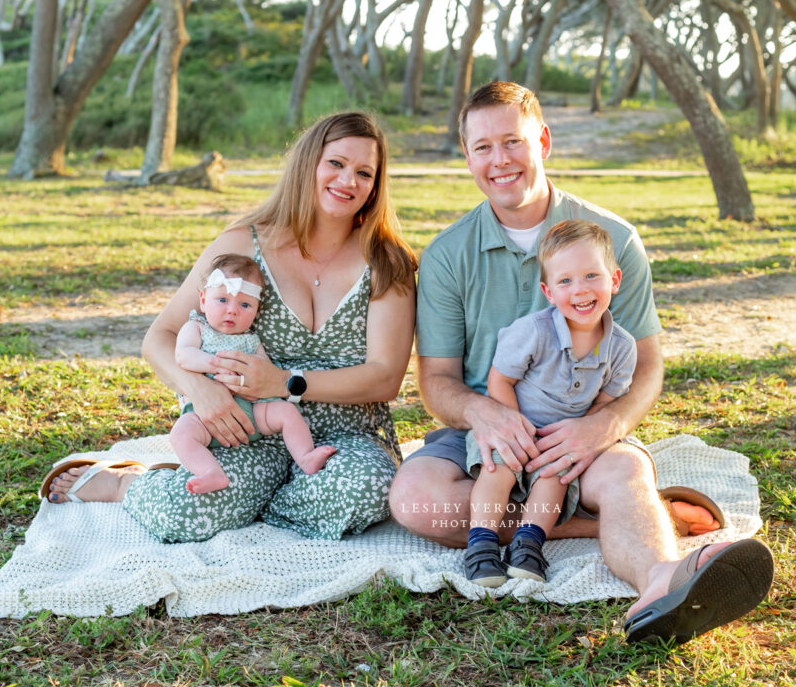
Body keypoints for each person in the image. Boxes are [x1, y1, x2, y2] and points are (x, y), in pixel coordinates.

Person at [390, 81, 773, 643]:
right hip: (488, 431)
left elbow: (645, 367)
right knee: (416, 503)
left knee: (625, 471)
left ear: (542, 141)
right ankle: (613, 524)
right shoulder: (448, 255)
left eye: (512, 142)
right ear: (466, 156)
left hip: (581, 419)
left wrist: (605, 425)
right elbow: (437, 381)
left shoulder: (614, 239)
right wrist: (485, 415)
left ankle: (662, 580)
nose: (499, 161)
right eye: (482, 147)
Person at [43, 111, 417, 544]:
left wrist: (284, 382)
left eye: (364, 172)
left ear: (375, 186)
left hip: (343, 438)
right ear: (308, 164)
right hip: (248, 430)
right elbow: (159, 337)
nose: (348, 180)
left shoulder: (388, 262)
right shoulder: (243, 245)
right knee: (179, 515)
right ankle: (127, 484)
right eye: (335, 163)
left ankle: (249, 503)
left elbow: (386, 377)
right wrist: (201, 391)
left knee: (367, 489)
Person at [464, 220, 636, 587]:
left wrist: (577, 436)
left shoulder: (621, 347)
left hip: (563, 436)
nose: (581, 290)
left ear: (614, 280)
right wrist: (514, 428)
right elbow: (500, 379)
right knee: (500, 468)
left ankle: (529, 544)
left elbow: (606, 400)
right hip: (512, 422)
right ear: (548, 291)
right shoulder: (533, 331)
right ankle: (481, 543)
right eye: (566, 281)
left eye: (592, 275)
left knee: (556, 473)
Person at [171, 253, 336, 493]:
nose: (232, 311)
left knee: (287, 412)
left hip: (253, 412)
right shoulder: (196, 328)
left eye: (245, 305)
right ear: (203, 300)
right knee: (181, 434)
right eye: (222, 300)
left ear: (257, 310)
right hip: (204, 416)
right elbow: (183, 355)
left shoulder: (251, 341)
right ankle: (210, 472)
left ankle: (305, 457)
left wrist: (254, 382)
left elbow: (264, 369)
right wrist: (213, 363)